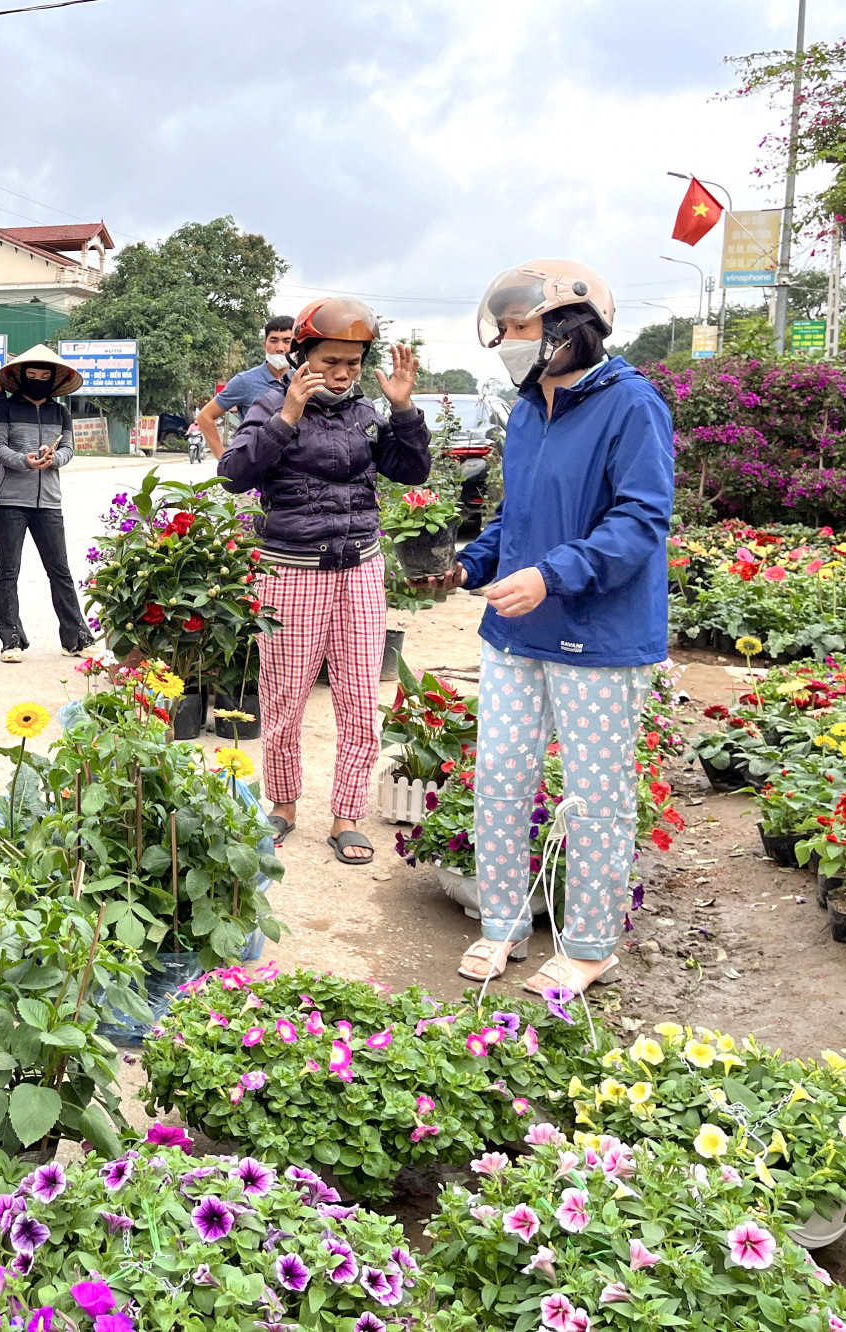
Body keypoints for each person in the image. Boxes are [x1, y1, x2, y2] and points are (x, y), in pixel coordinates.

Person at [421, 261, 673, 998]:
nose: (506, 342)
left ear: (573, 328)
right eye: (501, 330)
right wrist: (470, 567)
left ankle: (592, 945)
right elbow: (515, 514)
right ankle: (502, 924)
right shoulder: (529, 408)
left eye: (519, 329)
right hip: (514, 633)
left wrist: (553, 575)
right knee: (500, 777)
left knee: (594, 793)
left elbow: (640, 519)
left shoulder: (633, 405)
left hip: (597, 634)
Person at [217, 297, 430, 867]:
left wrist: (404, 412)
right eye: (330, 360)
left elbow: (410, 471)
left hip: (360, 566)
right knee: (284, 697)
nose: (341, 373)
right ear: (300, 354)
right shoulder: (268, 405)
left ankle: (346, 816)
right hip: (292, 571)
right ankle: (282, 805)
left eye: (353, 364)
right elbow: (235, 475)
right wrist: (288, 415)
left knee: (361, 696)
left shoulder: (365, 414)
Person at [0, 343, 92, 663]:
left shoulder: (60, 412)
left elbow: (69, 450)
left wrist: (53, 459)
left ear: (53, 379)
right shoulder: (5, 409)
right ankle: (11, 640)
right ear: (20, 377)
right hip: (10, 502)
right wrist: (25, 460)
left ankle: (75, 638)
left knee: (59, 570)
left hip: (49, 502)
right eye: (30, 374)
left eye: (43, 375)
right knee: (8, 571)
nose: (37, 379)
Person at [194, 314, 296, 458]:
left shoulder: (304, 381)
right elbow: (205, 417)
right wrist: (225, 462)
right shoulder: (244, 381)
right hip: (256, 468)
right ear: (264, 345)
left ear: (297, 345)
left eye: (287, 341)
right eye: (274, 340)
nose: (280, 348)